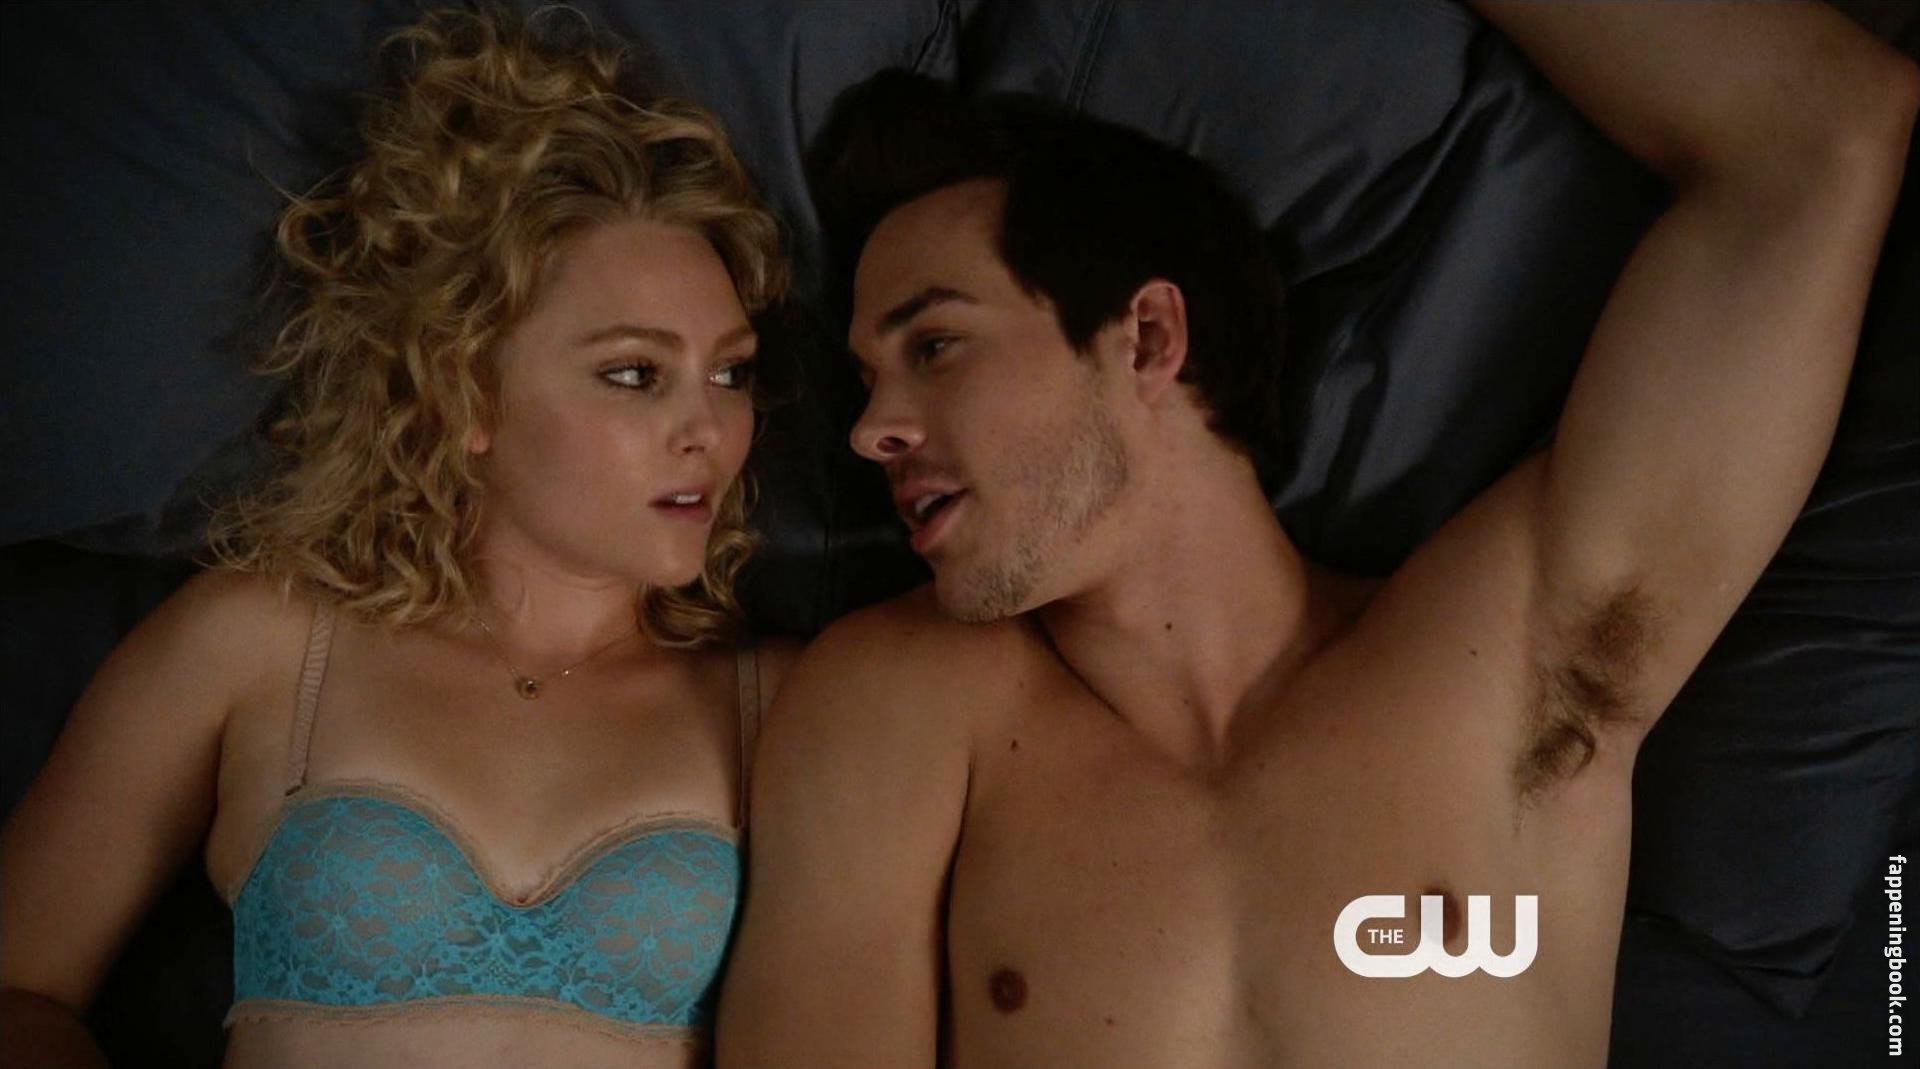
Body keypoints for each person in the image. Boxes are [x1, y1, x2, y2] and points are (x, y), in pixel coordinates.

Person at [718, 4, 1918, 1067]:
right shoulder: (902, 704)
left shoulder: (1512, 653)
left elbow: (1822, 132)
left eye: (935, 346)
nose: (869, 430)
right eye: (867, 378)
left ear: (1148, 338)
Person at [0, 9, 795, 1068]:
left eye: (731, 372)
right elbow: (17, 989)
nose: (709, 429)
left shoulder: (786, 703)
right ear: (463, 393)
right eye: (634, 373)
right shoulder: (257, 641)